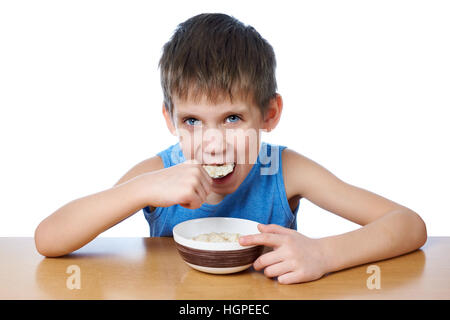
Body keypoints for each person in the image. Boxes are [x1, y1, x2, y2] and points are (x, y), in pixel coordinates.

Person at [35, 13, 427, 284]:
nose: (213, 144)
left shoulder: (284, 170)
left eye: (233, 119)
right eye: (192, 121)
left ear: (269, 114)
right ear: (170, 121)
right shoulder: (156, 174)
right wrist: (140, 190)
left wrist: (324, 255)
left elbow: (408, 224)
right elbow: (48, 239)